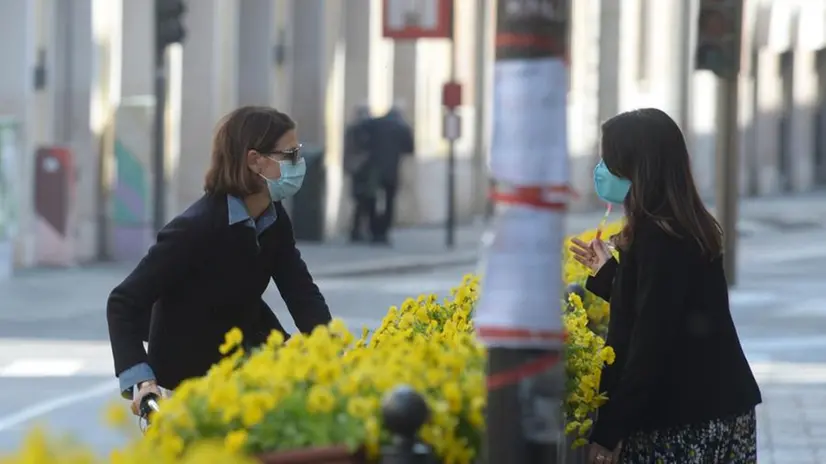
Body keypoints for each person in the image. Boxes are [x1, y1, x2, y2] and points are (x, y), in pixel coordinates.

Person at [107, 106, 332, 415]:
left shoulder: (274, 219)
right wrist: (142, 380)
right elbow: (123, 302)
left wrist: (331, 348)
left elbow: (300, 291)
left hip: (250, 370)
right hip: (189, 384)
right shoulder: (194, 229)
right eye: (290, 155)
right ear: (255, 161)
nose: (300, 164)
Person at [569, 108, 761, 464]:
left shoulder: (660, 238)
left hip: (684, 420)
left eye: (609, 160)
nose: (601, 169)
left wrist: (609, 430)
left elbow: (650, 343)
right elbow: (665, 307)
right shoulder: (680, 227)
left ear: (636, 168)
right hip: (716, 407)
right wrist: (612, 275)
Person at [363, 104, 414, 244]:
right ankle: (384, 232)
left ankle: (374, 231)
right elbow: (409, 148)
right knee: (389, 202)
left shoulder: (374, 124)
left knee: (372, 200)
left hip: (374, 169)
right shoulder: (402, 127)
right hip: (392, 170)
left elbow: (363, 140)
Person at [343, 104, 378, 242]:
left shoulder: (357, 129)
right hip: (361, 170)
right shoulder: (359, 130)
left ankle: (359, 231)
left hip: (360, 170)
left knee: (364, 202)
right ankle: (359, 231)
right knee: (363, 202)